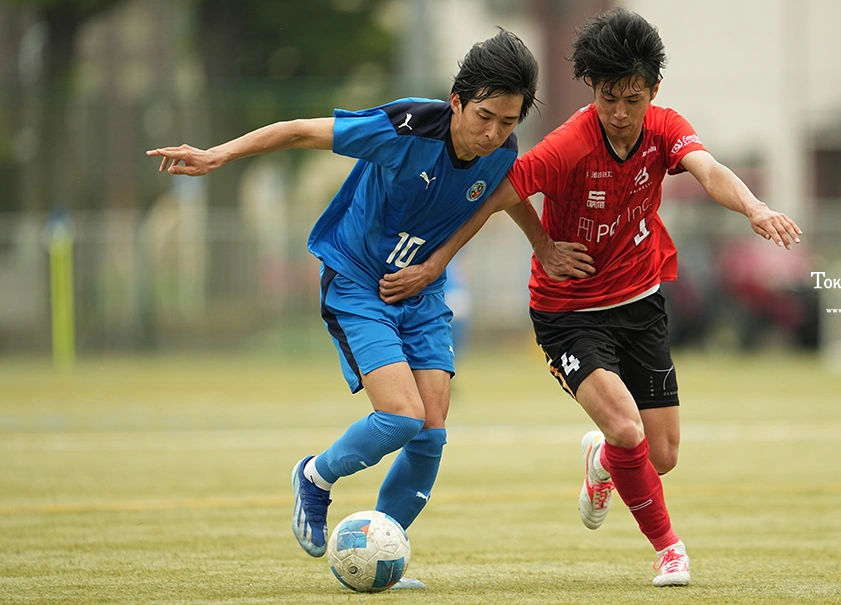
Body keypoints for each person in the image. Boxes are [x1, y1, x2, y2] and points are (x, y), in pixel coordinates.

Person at [379, 8, 801, 587]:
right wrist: (441, 262)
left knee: (663, 453)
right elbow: (495, 193)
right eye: (608, 98)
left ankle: (600, 461)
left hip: (642, 301)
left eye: (633, 98)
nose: (621, 114)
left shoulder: (665, 127)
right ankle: (669, 549)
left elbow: (708, 169)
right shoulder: (568, 146)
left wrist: (755, 207)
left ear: (653, 90)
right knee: (627, 428)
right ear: (592, 90)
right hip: (567, 313)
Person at [146, 30, 540, 587]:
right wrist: (218, 155)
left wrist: (515, 252)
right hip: (357, 282)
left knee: (430, 435)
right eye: (484, 116)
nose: (494, 133)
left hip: (421, 292)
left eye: (508, 121)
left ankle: (382, 549)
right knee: (402, 417)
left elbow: (507, 195)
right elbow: (299, 130)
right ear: (456, 101)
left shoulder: (502, 150)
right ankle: (314, 475)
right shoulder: (405, 129)